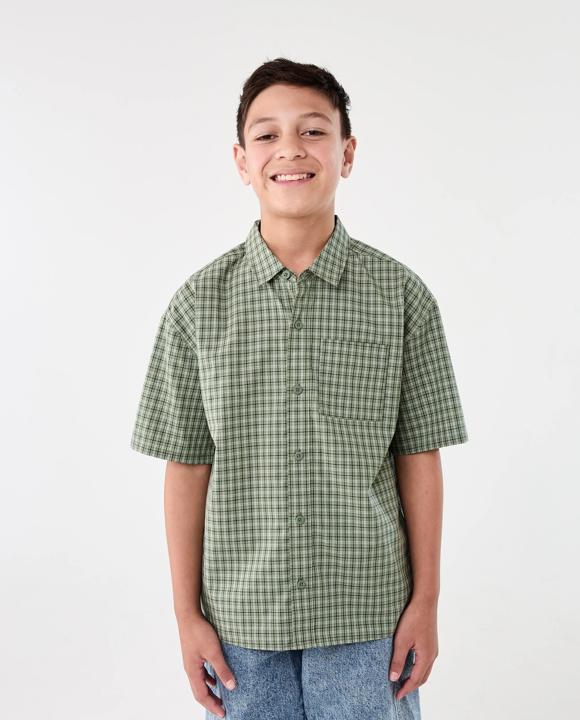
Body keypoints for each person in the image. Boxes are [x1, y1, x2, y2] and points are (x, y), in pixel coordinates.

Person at [130, 57, 469, 720]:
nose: (290, 149)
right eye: (267, 135)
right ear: (241, 160)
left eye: (313, 131)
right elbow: (186, 466)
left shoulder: (401, 298)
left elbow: (419, 455)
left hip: (369, 615)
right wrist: (185, 616)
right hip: (241, 621)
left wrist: (426, 602)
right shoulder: (197, 305)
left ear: (348, 152)